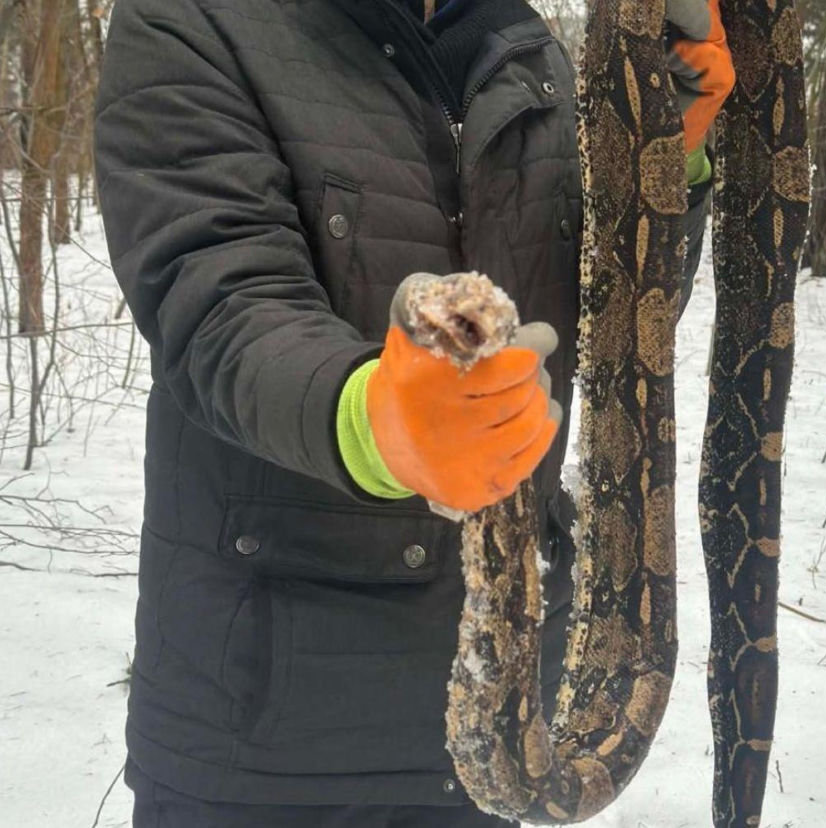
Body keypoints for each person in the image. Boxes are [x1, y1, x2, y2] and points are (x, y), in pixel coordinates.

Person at [93, 0, 733, 825]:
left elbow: (612, 325)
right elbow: (218, 300)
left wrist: (663, 158)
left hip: (503, 728)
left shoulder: (533, 55)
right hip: (262, 740)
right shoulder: (194, 21)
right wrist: (372, 420)